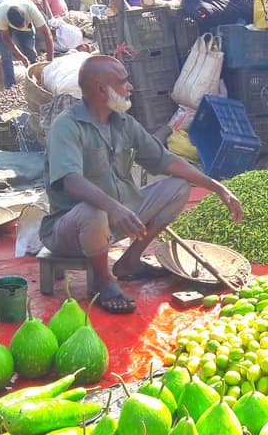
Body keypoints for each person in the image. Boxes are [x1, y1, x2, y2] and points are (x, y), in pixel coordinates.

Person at [41, 55, 243, 313]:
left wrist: (218, 188)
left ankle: (130, 261)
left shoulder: (123, 122)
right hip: (70, 229)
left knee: (179, 187)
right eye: (123, 82)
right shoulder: (67, 126)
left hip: (118, 217)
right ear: (102, 89)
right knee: (94, 210)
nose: (130, 87)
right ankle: (102, 281)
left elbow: (165, 160)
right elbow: (70, 180)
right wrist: (114, 207)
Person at [0, 0, 55, 88]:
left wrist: (49, 63)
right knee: (6, 55)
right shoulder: (0, 16)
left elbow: (47, 35)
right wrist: (20, 56)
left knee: (28, 48)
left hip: (22, 7)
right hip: (0, 13)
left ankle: (36, 73)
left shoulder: (31, 11)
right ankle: (10, 86)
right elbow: (5, 38)